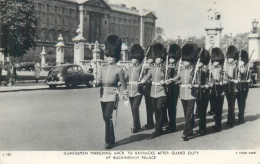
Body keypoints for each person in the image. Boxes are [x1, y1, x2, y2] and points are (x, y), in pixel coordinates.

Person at [96, 35, 128, 149]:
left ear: (116, 57)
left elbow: (123, 84)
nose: (109, 57)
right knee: (106, 118)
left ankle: (108, 141)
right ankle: (112, 137)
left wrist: (125, 98)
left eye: (111, 55)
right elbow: (99, 80)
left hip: (112, 95)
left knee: (107, 116)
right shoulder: (102, 68)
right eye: (108, 55)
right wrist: (96, 82)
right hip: (103, 95)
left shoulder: (119, 69)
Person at [170, 43, 198, 141]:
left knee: (189, 114)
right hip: (183, 95)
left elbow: (198, 83)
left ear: (191, 61)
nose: (184, 62)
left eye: (187, 61)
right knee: (186, 114)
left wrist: (193, 85)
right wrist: (170, 80)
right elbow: (177, 78)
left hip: (191, 95)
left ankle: (185, 133)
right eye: (184, 60)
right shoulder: (181, 70)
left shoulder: (195, 71)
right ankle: (190, 130)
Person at [141, 43, 167, 139]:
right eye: (155, 58)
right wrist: (143, 80)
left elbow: (168, 78)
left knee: (158, 109)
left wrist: (164, 81)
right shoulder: (152, 68)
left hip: (161, 92)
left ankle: (158, 129)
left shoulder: (165, 68)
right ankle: (159, 127)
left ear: (162, 59)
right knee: (156, 110)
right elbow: (147, 76)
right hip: (153, 92)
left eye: (158, 58)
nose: (156, 60)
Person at [125, 44, 144, 133]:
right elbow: (125, 78)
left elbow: (145, 79)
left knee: (135, 107)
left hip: (138, 91)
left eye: (135, 58)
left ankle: (135, 126)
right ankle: (138, 125)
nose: (133, 60)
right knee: (133, 109)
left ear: (138, 59)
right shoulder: (129, 69)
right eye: (132, 58)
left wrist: (142, 82)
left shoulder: (141, 68)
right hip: (130, 91)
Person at [164, 44, 181, 133]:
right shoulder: (166, 66)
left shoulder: (178, 66)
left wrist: (173, 79)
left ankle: (173, 125)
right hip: (167, 88)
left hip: (174, 89)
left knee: (172, 108)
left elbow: (179, 76)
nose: (171, 60)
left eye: (172, 58)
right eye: (170, 58)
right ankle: (167, 123)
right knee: (165, 106)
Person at [208, 47, 225, 131]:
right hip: (212, 90)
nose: (215, 62)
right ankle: (216, 122)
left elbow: (225, 79)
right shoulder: (210, 69)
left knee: (219, 108)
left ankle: (218, 124)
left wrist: (222, 82)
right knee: (214, 107)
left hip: (220, 90)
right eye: (214, 61)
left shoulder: (222, 69)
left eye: (217, 61)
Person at [195, 48, 210, 135]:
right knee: (199, 111)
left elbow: (210, 79)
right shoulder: (195, 70)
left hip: (205, 92)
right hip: (197, 92)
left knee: (203, 111)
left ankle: (202, 128)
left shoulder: (207, 69)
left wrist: (208, 84)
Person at [224, 45, 239, 127]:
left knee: (231, 105)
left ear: (234, 58)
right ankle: (230, 119)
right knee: (229, 104)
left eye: (231, 58)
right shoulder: (226, 67)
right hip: (227, 88)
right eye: (228, 58)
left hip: (234, 89)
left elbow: (237, 77)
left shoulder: (236, 67)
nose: (229, 59)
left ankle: (231, 120)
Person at [142, 45, 155, 130]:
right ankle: (150, 122)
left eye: (150, 58)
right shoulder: (145, 65)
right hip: (147, 87)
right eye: (148, 58)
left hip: (154, 87)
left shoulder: (155, 66)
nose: (148, 60)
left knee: (155, 106)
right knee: (148, 105)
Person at [237, 50, 250, 123]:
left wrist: (248, 80)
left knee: (242, 102)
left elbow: (248, 78)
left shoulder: (246, 68)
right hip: (237, 86)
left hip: (244, 87)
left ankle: (241, 115)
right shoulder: (237, 68)